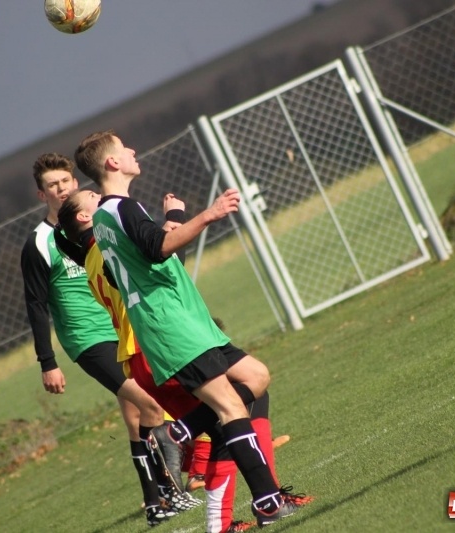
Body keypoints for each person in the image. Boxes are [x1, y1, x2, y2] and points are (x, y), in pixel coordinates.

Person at [72, 131, 301, 526]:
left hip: (184, 321)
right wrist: (207, 214)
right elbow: (159, 248)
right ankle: (266, 500)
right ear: (112, 163)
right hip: (171, 326)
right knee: (230, 406)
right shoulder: (120, 209)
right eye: (125, 147)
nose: (133, 150)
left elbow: (144, 255)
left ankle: (184, 429)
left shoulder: (110, 216)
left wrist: (173, 222)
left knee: (257, 376)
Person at [19, 153, 198, 527]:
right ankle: (170, 492)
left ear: (74, 181)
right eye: (52, 185)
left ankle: (155, 502)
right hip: (87, 339)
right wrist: (47, 362)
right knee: (149, 404)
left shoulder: (95, 223)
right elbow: (36, 304)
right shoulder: (39, 243)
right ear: (42, 194)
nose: (61, 188)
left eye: (65, 181)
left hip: (120, 327)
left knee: (135, 416)